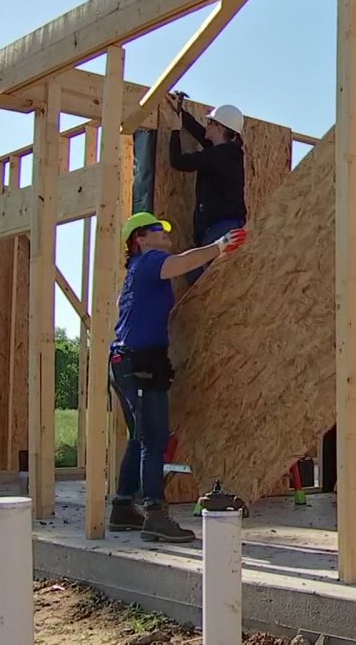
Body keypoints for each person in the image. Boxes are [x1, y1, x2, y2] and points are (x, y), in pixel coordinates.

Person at [108, 212, 246, 542]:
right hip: (140, 363)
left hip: (127, 362)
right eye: (158, 230)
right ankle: (155, 515)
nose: (165, 233)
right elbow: (179, 263)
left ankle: (122, 507)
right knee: (154, 440)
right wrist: (219, 246)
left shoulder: (134, 274)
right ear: (139, 239)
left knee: (140, 437)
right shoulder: (149, 261)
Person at [164, 94, 247, 285]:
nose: (206, 125)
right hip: (225, 227)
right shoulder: (228, 153)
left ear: (219, 128)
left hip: (220, 230)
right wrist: (180, 111)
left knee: (201, 283)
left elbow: (178, 162)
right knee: (199, 281)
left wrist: (175, 131)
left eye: (210, 122)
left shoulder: (219, 156)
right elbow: (203, 136)